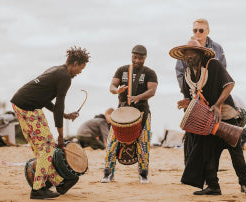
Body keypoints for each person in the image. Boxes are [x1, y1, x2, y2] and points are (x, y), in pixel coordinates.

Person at [177, 18, 246, 194]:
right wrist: (187, 102)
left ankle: (244, 183)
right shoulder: (188, 74)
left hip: (224, 113)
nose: (189, 56)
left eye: (192, 53)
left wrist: (217, 105)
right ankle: (213, 186)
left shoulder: (214, 64)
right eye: (186, 54)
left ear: (200, 53)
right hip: (206, 118)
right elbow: (192, 96)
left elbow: (229, 85)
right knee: (208, 152)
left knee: (235, 150)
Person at [10, 46, 90, 199]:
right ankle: (38, 190)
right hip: (29, 108)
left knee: (42, 148)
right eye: (81, 68)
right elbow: (59, 105)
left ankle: (58, 182)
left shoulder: (56, 70)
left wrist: (65, 115)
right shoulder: (65, 76)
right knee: (47, 149)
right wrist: (61, 135)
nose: (80, 72)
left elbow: (45, 98)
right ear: (74, 63)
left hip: (21, 104)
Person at [101, 45, 158, 183]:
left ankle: (143, 173)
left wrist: (138, 97)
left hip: (142, 113)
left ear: (145, 57)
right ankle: (108, 172)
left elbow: (152, 91)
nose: (137, 60)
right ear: (131, 55)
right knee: (112, 143)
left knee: (143, 142)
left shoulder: (150, 72)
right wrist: (117, 90)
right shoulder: (122, 70)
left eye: (140, 58)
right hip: (121, 112)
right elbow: (112, 86)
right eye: (135, 57)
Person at [175, 18, 227, 89]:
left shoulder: (217, 48)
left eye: (201, 30)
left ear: (208, 31)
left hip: (214, 91)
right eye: (195, 30)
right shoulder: (186, 50)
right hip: (192, 91)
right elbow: (180, 72)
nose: (197, 32)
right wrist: (186, 92)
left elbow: (223, 70)